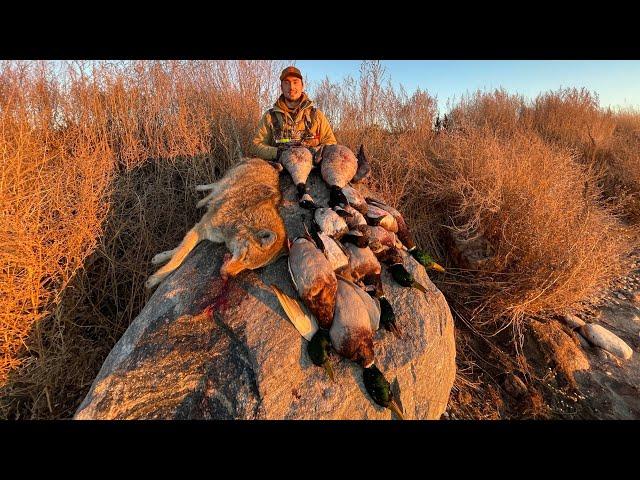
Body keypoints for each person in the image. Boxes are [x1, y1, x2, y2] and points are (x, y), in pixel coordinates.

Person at [252, 66, 337, 162]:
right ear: (281, 87)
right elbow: (256, 146)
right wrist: (279, 153)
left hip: (311, 169)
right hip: (279, 168)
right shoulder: (270, 116)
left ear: (302, 85)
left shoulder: (317, 115)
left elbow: (331, 143)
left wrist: (313, 152)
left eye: (295, 82)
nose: (291, 87)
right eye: (287, 83)